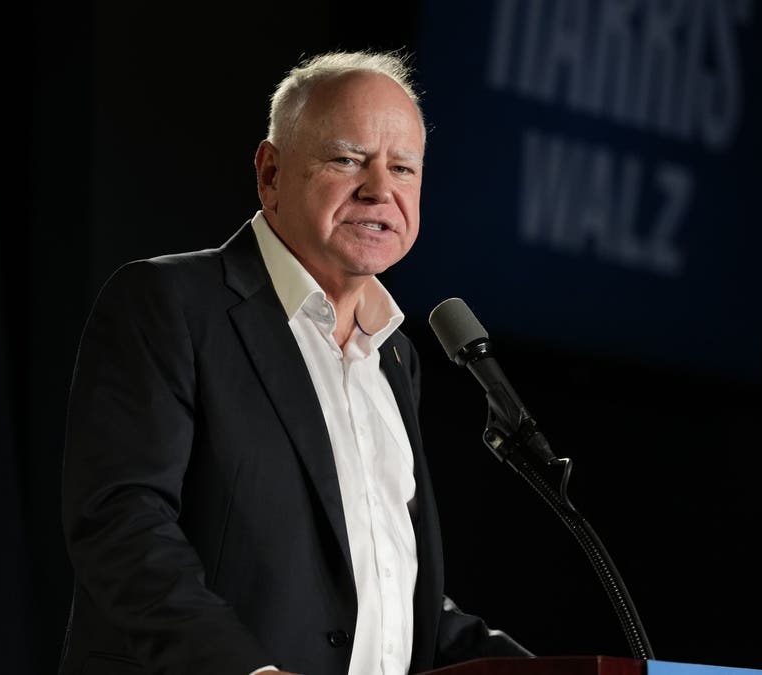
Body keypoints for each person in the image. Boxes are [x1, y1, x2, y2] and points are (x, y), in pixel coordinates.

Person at [58, 49, 531, 675]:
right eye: (347, 159)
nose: (380, 190)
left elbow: (385, 582)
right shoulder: (170, 304)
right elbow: (123, 528)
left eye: (403, 168)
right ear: (271, 172)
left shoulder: (393, 356)